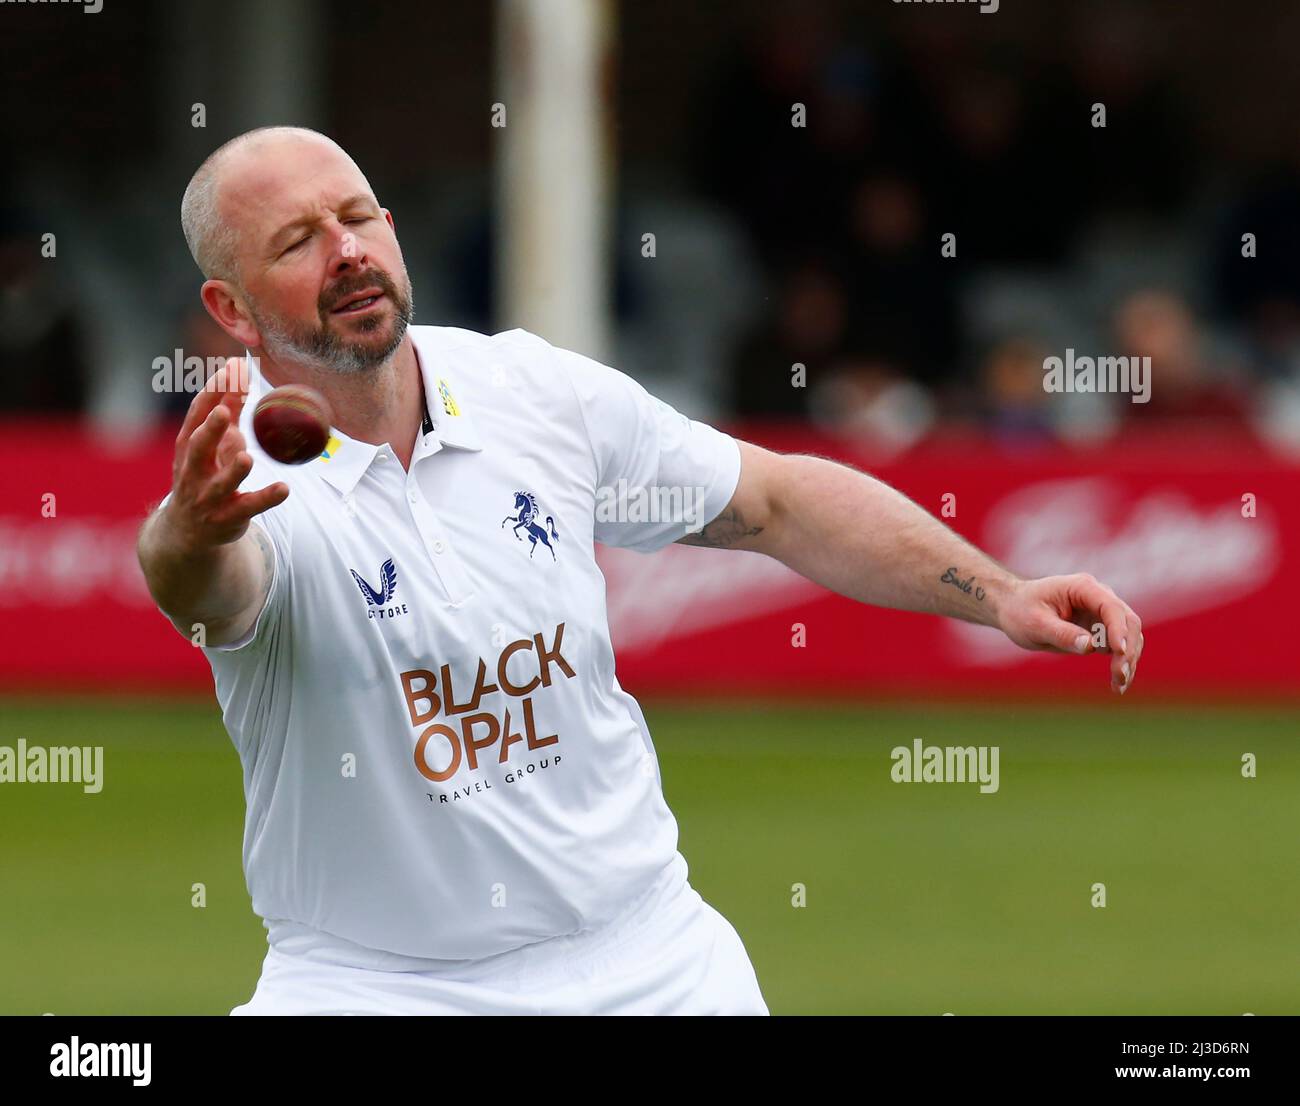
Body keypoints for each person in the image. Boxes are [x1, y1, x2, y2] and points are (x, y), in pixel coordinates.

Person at [136, 127, 1144, 1016]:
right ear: (230, 305)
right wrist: (191, 527)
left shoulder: (529, 389)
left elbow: (779, 501)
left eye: (358, 217)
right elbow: (200, 581)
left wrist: (999, 591)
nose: (348, 250)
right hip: (375, 984)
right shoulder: (238, 479)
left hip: (647, 959)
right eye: (299, 240)